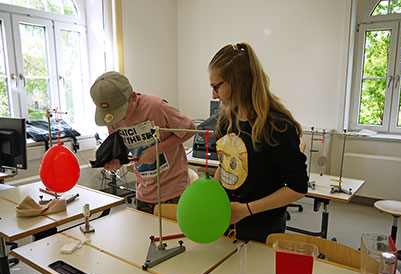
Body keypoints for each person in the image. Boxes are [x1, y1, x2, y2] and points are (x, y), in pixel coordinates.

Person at [208, 43, 308, 243]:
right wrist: (211, 193)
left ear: (237, 83)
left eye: (217, 86)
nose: (213, 95)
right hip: (228, 220)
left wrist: (245, 210)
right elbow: (225, 165)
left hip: (263, 227)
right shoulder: (228, 120)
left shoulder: (276, 126)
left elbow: (298, 188)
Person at [90, 71, 196, 214]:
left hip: (173, 190)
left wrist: (158, 149)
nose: (119, 120)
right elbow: (124, 148)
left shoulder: (157, 107)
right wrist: (116, 161)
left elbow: (190, 129)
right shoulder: (113, 119)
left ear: (133, 97)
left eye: (121, 113)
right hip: (144, 192)